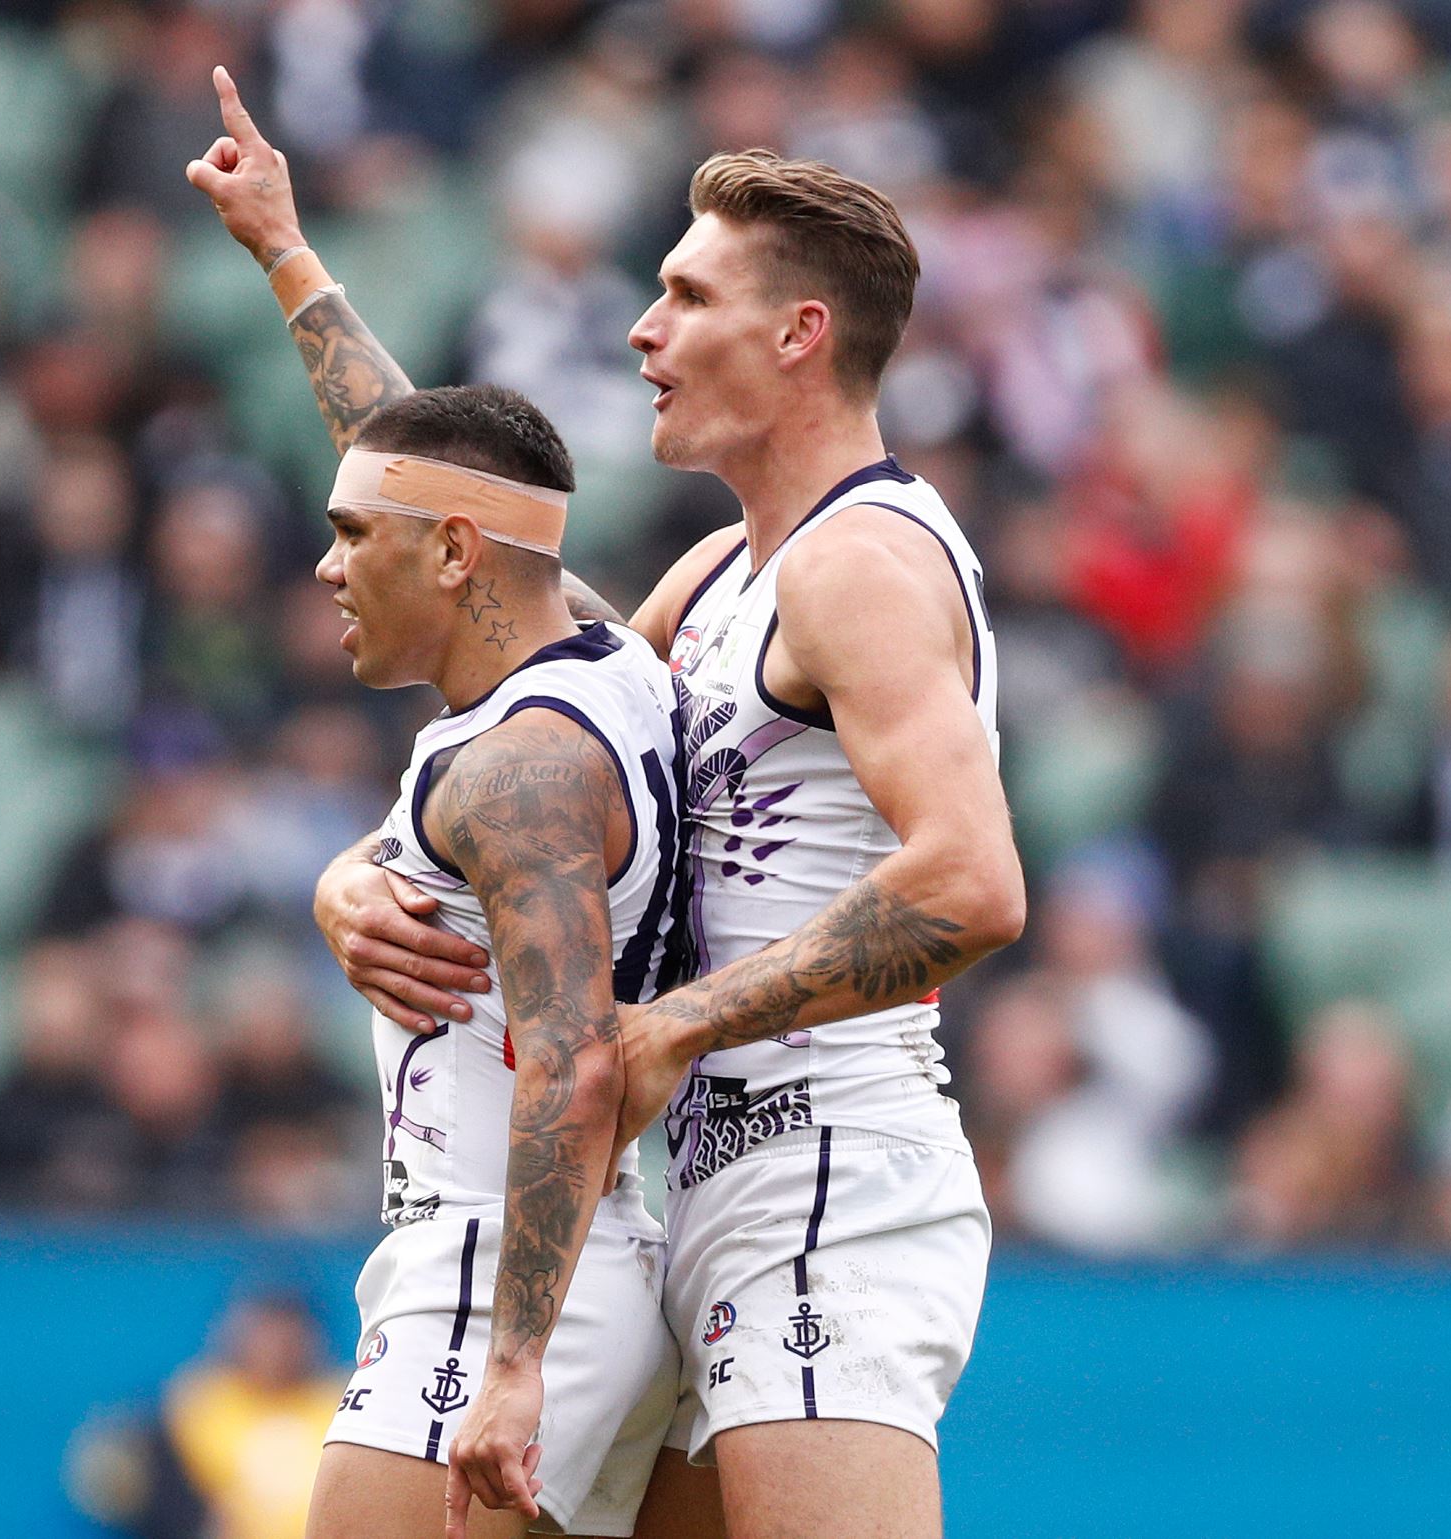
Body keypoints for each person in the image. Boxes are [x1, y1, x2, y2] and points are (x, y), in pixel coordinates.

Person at [191, 72, 1025, 1539]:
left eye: (685, 295)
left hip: (824, 1163)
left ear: (797, 334)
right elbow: (465, 555)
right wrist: (289, 260)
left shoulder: (861, 567)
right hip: (701, 1175)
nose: (643, 331)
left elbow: (972, 882)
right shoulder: (714, 578)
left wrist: (672, 1023)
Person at [291, 383, 685, 1539]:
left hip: (492, 1269)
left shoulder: (522, 769)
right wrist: (285, 258)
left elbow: (573, 1063)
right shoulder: (603, 653)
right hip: (578, 1264)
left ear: (456, 551)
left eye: (352, 534)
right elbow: (423, 450)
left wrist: (511, 1366)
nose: (328, 566)